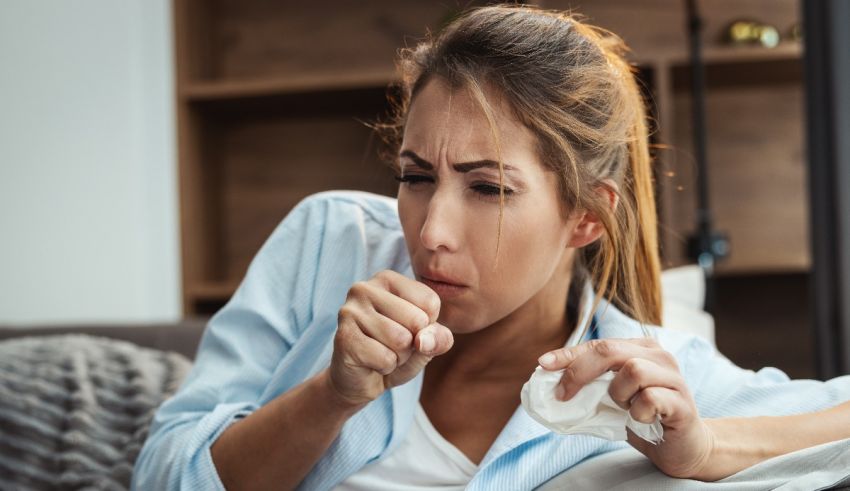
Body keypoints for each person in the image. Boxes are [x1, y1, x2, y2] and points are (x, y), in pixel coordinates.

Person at [131, 5, 850, 491]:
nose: (431, 231)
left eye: (488, 188)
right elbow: (162, 472)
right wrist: (330, 395)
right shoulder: (331, 240)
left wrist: (707, 449)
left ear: (587, 218)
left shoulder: (650, 381)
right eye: (416, 177)